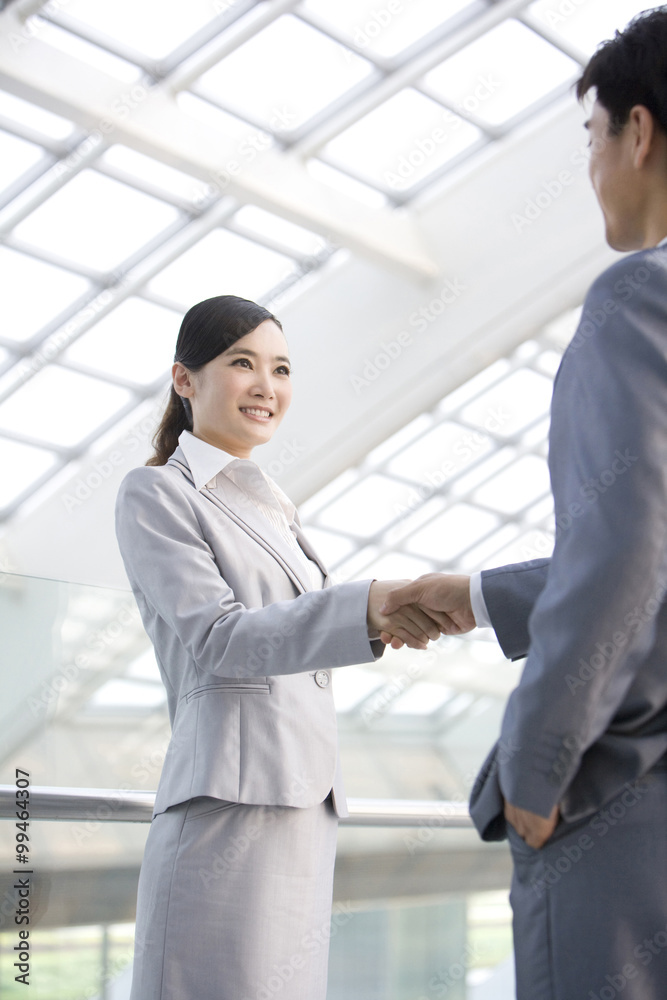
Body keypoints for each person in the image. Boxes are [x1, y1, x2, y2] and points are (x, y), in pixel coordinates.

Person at [381, 9, 667, 999]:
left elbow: (630, 547)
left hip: (624, 807)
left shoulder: (637, 298)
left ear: (638, 132)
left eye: (591, 139)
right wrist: (476, 593)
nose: (593, 168)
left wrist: (536, 769)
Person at [115, 294, 443, 1000]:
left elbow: (299, 634)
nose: (267, 386)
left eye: (281, 368)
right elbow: (220, 638)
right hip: (227, 809)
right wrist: (364, 605)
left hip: (303, 804)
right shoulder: (156, 494)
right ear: (184, 380)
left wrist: (378, 618)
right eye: (242, 363)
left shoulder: (271, 503)